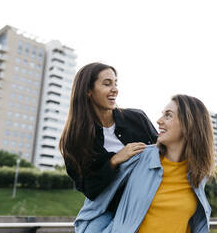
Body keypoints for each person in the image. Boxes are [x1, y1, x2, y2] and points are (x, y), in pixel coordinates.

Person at [75, 94, 216, 233]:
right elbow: (95, 206)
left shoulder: (199, 171)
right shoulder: (138, 158)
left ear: (189, 124)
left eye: (168, 115)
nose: (159, 121)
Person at [59, 62, 158, 214]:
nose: (114, 90)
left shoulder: (137, 118)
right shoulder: (74, 140)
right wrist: (114, 161)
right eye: (107, 84)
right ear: (88, 91)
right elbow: (89, 189)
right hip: (114, 212)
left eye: (115, 83)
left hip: (155, 202)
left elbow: (164, 153)